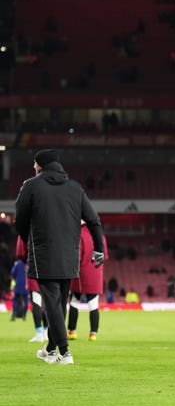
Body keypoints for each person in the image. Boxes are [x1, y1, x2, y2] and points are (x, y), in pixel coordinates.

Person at [15, 149, 105, 365]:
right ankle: (50, 348)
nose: (34, 168)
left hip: (44, 253)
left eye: (35, 165)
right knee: (60, 303)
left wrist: (30, 239)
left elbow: (20, 219)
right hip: (70, 255)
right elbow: (94, 220)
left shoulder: (31, 186)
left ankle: (64, 353)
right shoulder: (75, 188)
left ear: (40, 165)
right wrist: (98, 248)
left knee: (52, 304)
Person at [67, 221, 109, 342]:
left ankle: (72, 331)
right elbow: (104, 256)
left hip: (81, 273)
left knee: (74, 301)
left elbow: (76, 255)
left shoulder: (78, 234)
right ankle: (93, 334)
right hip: (96, 273)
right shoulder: (100, 234)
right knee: (94, 303)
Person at [16, 236, 49, 342]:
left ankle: (39, 334)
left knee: (36, 302)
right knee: (47, 303)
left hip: (34, 269)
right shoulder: (49, 226)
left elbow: (21, 253)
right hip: (49, 269)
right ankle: (46, 333)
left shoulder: (25, 230)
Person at [10, 253, 29, 321]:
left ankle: (14, 315)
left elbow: (12, 273)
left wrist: (16, 279)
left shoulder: (17, 263)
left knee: (15, 300)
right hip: (26, 286)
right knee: (26, 300)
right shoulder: (28, 264)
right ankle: (24, 315)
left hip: (18, 285)